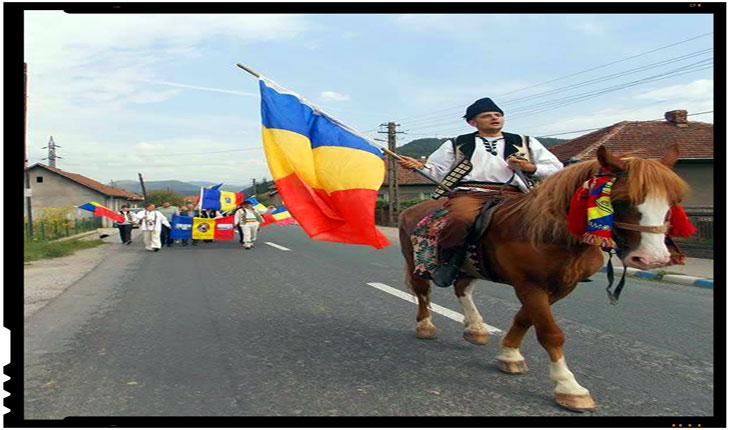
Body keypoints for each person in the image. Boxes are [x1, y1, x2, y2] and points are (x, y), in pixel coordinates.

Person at [396, 97, 563, 287]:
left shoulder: (525, 141)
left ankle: (568, 257)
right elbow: (436, 171)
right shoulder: (457, 143)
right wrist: (417, 166)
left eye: (498, 115)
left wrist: (531, 167)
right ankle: (448, 259)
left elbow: (556, 168)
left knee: (554, 217)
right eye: (487, 116)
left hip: (516, 194)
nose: (494, 118)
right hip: (471, 193)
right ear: (472, 122)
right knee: (460, 219)